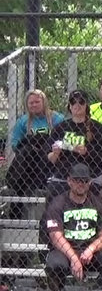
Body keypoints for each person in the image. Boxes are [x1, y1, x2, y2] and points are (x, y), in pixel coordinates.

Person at [43, 163, 102, 291]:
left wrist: (91, 249)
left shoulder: (98, 203)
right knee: (55, 264)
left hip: (90, 252)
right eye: (77, 180)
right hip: (65, 251)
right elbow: (56, 237)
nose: (81, 184)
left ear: (90, 182)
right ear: (69, 181)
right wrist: (73, 258)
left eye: (84, 181)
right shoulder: (57, 203)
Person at [5, 90, 65, 218]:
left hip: (50, 160)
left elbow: (63, 140)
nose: (34, 105)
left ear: (44, 102)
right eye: (31, 103)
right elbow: (15, 144)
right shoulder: (23, 121)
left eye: (37, 102)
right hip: (29, 163)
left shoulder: (57, 118)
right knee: (27, 149)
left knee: (44, 142)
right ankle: (14, 188)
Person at [46, 90, 102, 200]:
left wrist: (87, 152)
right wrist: (55, 153)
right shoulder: (60, 127)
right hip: (64, 176)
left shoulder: (97, 128)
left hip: (89, 176)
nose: (77, 105)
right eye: (73, 102)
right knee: (54, 192)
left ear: (86, 105)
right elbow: (49, 157)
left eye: (81, 102)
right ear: (69, 106)